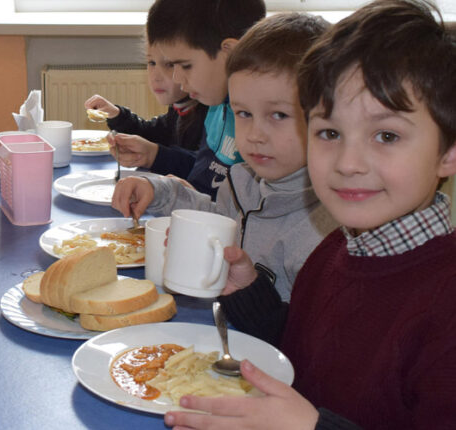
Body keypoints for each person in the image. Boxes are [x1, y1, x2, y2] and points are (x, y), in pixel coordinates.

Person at [166, 1, 456, 428]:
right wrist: (248, 295)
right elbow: (297, 363)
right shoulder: (336, 250)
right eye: (329, 132)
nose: (348, 162)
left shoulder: (445, 303)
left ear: (448, 152)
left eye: (387, 135)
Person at [112, 13, 337, 300]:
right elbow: (217, 220)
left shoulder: (325, 229)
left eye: (278, 115)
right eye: (243, 113)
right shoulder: (243, 178)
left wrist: (251, 299)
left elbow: (304, 337)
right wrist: (161, 192)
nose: (255, 134)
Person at [122, 0, 266, 200]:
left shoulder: (263, 126)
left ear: (230, 53)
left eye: (186, 66)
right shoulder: (216, 107)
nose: (177, 79)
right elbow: (206, 171)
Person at [84, 44, 208, 179]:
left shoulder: (211, 113)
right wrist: (116, 115)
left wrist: (154, 155)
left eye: (170, 64)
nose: (156, 77)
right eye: (152, 63)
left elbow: (204, 169)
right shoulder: (179, 107)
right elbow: (151, 134)